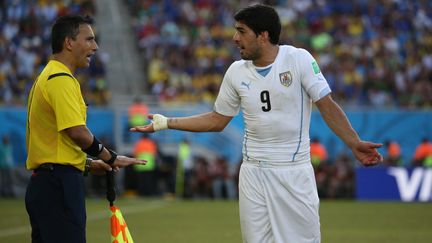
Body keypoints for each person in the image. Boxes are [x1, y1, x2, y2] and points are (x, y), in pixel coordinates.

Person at [131, 4, 382, 243]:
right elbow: (217, 120)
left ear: (263, 35)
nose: (234, 38)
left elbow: (326, 104)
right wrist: (166, 123)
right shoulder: (235, 72)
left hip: (292, 172)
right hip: (252, 173)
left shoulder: (298, 59)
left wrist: (353, 142)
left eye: (241, 31)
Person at [25, 15, 146, 243]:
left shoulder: (47, 76)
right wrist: (110, 157)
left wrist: (88, 163)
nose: (95, 46)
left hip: (47, 182)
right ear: (69, 43)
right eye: (89, 39)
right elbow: (77, 132)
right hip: (58, 185)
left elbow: (55, 142)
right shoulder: (60, 78)